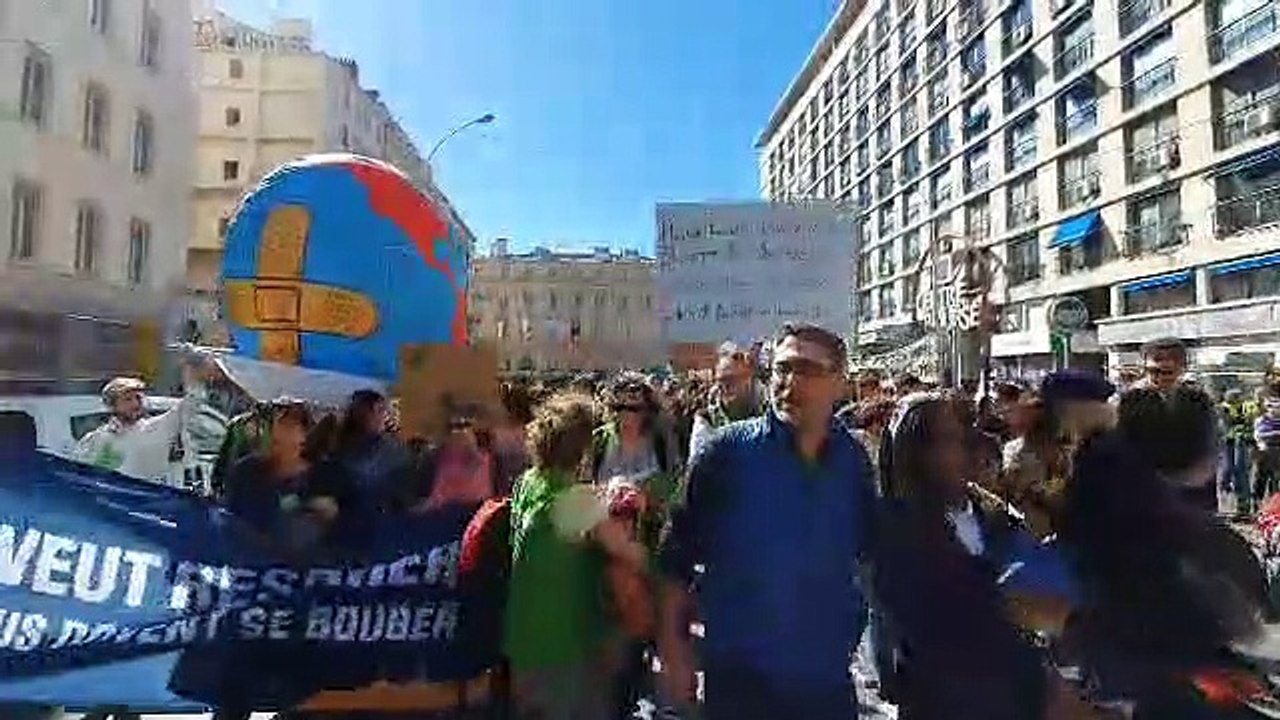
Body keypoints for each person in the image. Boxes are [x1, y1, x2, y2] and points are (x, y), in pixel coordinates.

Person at [658, 324, 875, 719]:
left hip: (825, 684)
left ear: (839, 383)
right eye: (782, 369)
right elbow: (674, 560)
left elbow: (865, 555)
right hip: (741, 684)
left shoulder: (853, 460)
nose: (789, 382)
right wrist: (675, 654)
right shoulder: (724, 454)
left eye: (806, 370)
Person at [869, 393, 1070, 720]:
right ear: (913, 457)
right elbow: (922, 625)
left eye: (959, 436)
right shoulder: (896, 528)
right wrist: (1001, 602)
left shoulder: (991, 513)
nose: (958, 449)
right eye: (942, 440)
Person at [504, 391, 648, 720]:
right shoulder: (576, 503)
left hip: (525, 640)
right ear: (583, 450)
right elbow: (631, 554)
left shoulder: (529, 483)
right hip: (567, 648)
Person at [74, 376, 192, 485]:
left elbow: (189, 404)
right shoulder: (95, 439)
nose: (135, 404)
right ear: (112, 405)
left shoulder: (157, 428)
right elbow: (78, 474)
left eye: (138, 398)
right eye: (127, 399)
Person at [688, 346, 764, 457]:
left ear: (749, 378)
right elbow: (698, 461)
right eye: (720, 380)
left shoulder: (769, 414)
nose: (724, 386)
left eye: (731, 379)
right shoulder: (707, 421)